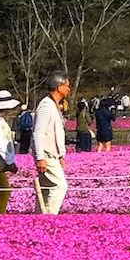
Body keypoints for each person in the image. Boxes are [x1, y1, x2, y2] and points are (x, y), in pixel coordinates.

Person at [33, 74, 72, 215]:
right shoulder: (46, 105)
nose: (69, 89)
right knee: (59, 185)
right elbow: (38, 133)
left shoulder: (53, 105)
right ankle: (49, 217)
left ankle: (40, 217)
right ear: (58, 87)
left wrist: (61, 155)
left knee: (46, 188)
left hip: (52, 155)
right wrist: (40, 157)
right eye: (67, 85)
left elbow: (56, 132)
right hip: (46, 155)